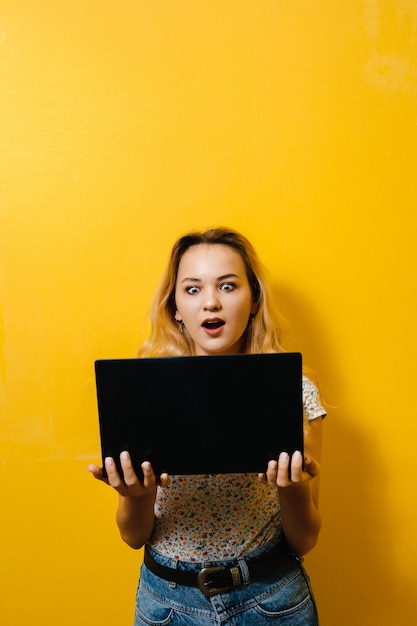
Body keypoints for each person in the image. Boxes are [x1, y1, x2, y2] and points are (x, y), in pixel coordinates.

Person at [88, 227, 326, 625]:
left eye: (228, 286)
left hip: (271, 600)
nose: (211, 303)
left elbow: (305, 539)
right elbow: (133, 537)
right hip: (167, 605)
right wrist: (134, 496)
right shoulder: (144, 393)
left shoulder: (296, 392)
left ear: (254, 301)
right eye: (193, 289)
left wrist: (294, 489)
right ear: (175, 307)